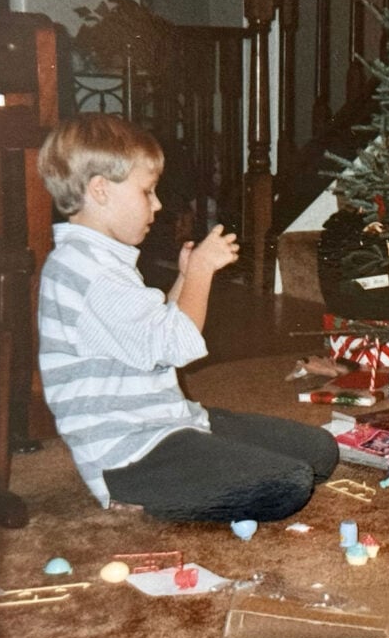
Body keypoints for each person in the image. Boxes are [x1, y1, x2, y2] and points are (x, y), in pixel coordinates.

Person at [36, 113, 339, 522]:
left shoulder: (98, 259)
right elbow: (178, 346)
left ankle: (201, 460)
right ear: (100, 190)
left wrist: (182, 278)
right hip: (132, 455)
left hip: (172, 422)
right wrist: (199, 273)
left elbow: (153, 335)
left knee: (320, 450)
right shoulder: (88, 273)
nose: (158, 205)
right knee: (289, 483)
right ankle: (141, 497)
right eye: (147, 192)